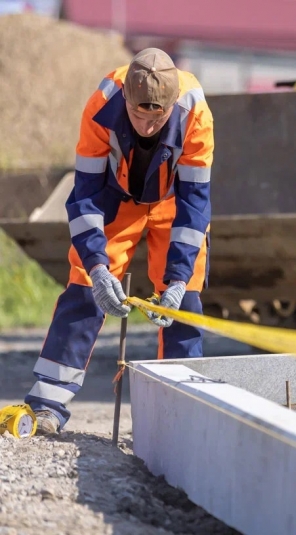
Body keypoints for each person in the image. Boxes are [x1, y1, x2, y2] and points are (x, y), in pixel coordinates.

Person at [26, 48, 214, 435]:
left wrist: (177, 279)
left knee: (186, 303)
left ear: (172, 105)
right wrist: (96, 266)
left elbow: (195, 204)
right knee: (83, 290)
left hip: (172, 201)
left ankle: (179, 422)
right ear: (126, 100)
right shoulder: (101, 106)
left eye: (156, 118)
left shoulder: (196, 114)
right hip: (116, 197)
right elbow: (85, 196)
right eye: (138, 116)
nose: (146, 127)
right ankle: (47, 405)